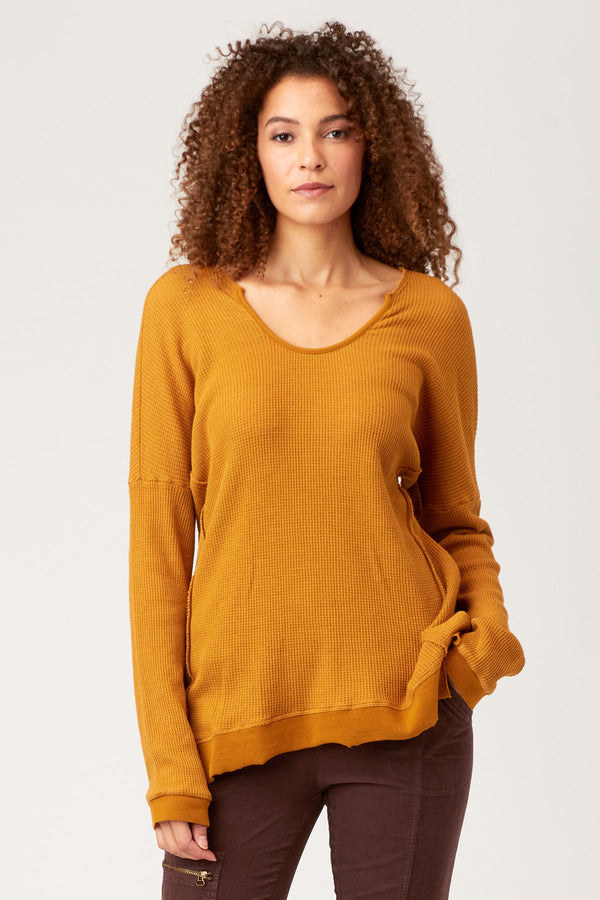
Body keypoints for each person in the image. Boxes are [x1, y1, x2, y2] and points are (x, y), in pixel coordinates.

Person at [129, 21, 525, 899]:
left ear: (370, 146)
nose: (310, 156)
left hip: (405, 710)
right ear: (249, 154)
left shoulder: (430, 317)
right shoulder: (185, 308)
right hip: (235, 723)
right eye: (284, 134)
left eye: (336, 130)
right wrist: (171, 766)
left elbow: (455, 517)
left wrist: (479, 648)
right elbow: (158, 545)